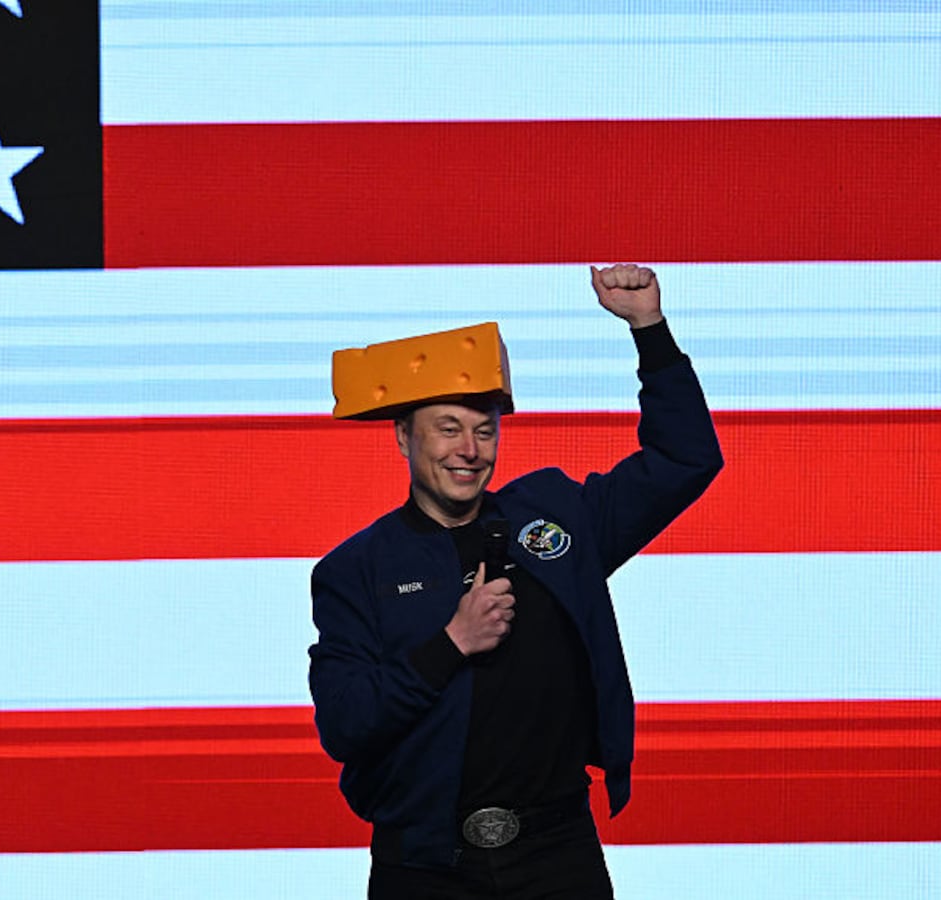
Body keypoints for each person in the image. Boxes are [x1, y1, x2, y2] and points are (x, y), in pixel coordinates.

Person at [308, 265, 724, 898]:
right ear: (402, 437)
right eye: (448, 428)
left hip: (557, 857)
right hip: (425, 863)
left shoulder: (556, 518)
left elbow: (685, 460)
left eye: (484, 430)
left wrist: (649, 329)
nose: (469, 450)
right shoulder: (355, 569)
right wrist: (451, 642)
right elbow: (346, 725)